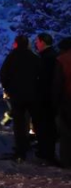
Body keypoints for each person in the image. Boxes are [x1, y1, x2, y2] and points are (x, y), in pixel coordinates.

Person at [1, 35, 40, 163]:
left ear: (16, 44)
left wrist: (8, 89)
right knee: (33, 120)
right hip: (33, 94)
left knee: (19, 122)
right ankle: (34, 145)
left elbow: (4, 74)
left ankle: (20, 150)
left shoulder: (12, 57)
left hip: (17, 95)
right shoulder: (34, 58)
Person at [34, 33, 58, 163]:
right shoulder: (54, 56)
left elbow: (43, 79)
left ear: (42, 42)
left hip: (44, 98)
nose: (36, 44)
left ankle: (46, 153)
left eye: (37, 41)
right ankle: (46, 152)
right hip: (50, 97)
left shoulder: (46, 58)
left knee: (44, 126)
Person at [52, 37, 71, 168]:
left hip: (67, 99)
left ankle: (66, 161)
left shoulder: (61, 60)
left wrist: (54, 101)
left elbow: (57, 83)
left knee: (66, 131)